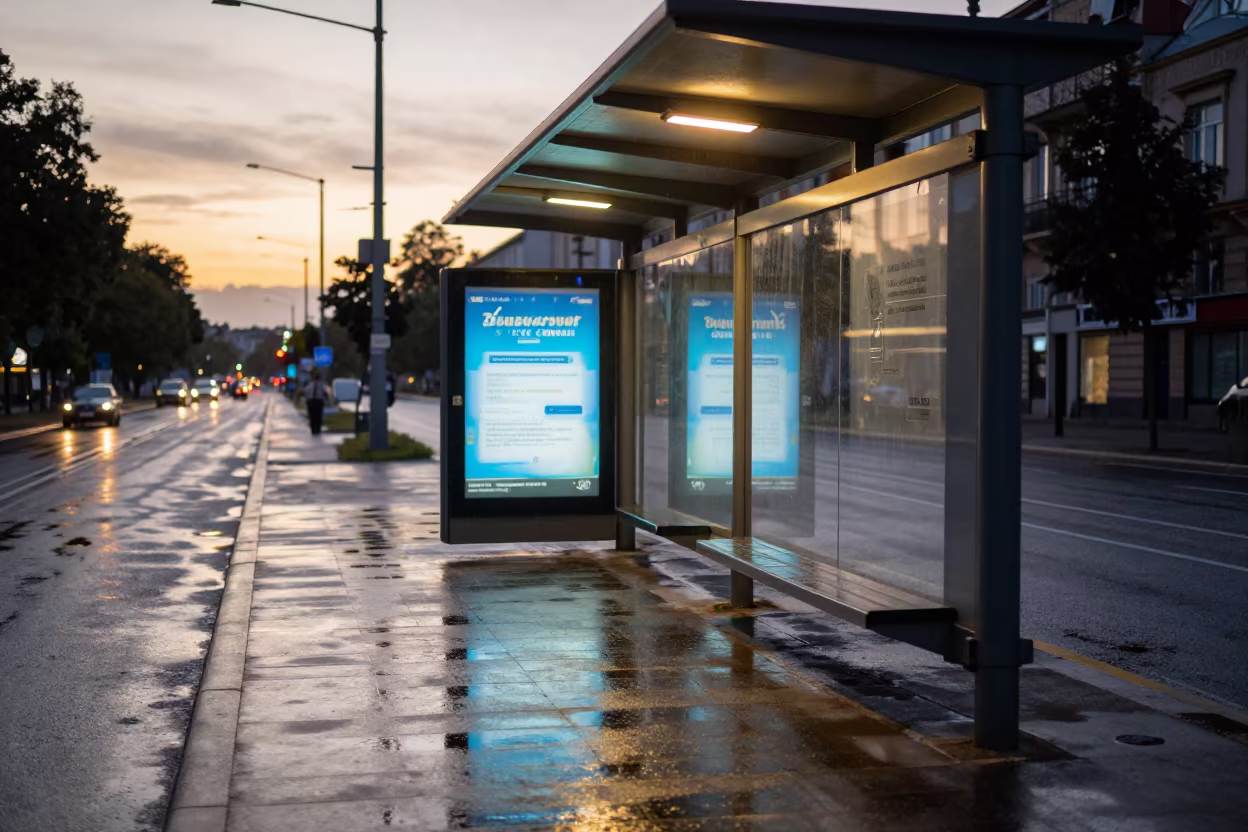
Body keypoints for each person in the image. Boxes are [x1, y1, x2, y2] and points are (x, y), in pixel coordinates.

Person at [303, 371, 330, 436]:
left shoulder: (320, 385)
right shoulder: (311, 385)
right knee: (313, 416)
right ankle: (314, 429)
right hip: (312, 402)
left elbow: (325, 393)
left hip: (317, 402)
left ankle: (317, 429)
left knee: (317, 416)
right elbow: (306, 392)